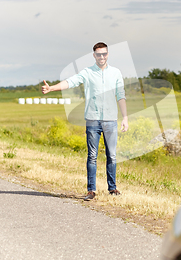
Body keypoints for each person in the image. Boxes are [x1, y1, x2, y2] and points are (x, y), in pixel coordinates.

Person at [42, 41, 128, 200]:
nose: (102, 57)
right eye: (98, 54)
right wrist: (51, 88)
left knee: (112, 156)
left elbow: (121, 95)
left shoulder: (116, 73)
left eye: (104, 54)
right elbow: (70, 82)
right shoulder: (87, 72)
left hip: (110, 120)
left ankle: (112, 188)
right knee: (92, 156)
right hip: (93, 120)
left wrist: (125, 118)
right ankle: (91, 190)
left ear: (107, 54)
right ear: (94, 55)